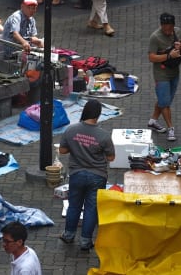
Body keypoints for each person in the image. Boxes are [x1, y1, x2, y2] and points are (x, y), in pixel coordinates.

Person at [59, 99, 115, 251]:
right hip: (97, 176)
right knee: (91, 208)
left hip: (76, 174)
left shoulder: (71, 130)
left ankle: (68, 235)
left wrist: (77, 149)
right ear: (98, 115)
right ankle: (85, 241)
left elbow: (62, 151)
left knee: (74, 206)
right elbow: (111, 158)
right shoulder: (103, 135)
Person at [147, 13, 181, 140]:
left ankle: (153, 121)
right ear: (161, 26)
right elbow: (151, 57)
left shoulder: (177, 32)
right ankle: (171, 129)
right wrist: (169, 56)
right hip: (161, 74)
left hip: (174, 72)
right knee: (165, 102)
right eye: (166, 29)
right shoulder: (155, 37)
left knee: (165, 100)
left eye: (170, 28)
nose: (168, 31)